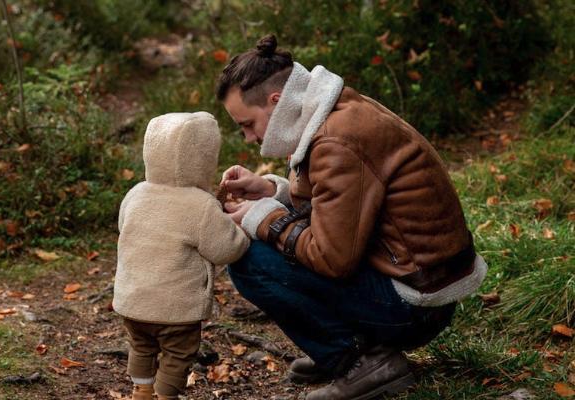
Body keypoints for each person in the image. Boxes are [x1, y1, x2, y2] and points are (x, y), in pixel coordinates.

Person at [216, 34, 488, 400]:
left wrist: (264, 217)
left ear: (276, 102)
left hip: (414, 306)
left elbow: (333, 259)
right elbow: (341, 206)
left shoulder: (335, 141)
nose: (249, 137)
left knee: (249, 259)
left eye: (246, 124)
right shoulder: (335, 111)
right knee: (265, 240)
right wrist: (272, 193)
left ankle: (357, 360)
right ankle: (350, 346)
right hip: (419, 282)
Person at [113, 112, 250, 400]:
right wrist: (242, 228)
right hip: (177, 309)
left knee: (140, 346)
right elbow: (227, 249)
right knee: (177, 353)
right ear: (204, 159)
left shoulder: (136, 194)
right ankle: (165, 396)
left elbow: (124, 227)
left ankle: (141, 389)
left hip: (133, 301)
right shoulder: (200, 206)